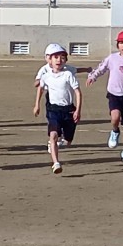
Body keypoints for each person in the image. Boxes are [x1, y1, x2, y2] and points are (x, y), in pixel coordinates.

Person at [86, 30, 123, 163]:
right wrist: (93, 76)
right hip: (114, 95)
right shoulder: (112, 58)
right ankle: (115, 131)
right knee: (115, 117)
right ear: (118, 45)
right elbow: (102, 68)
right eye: (122, 43)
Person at [33, 44, 82, 174]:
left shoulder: (68, 74)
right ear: (49, 59)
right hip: (53, 110)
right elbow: (40, 88)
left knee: (68, 141)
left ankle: (62, 141)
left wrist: (78, 110)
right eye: (56, 57)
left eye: (62, 57)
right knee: (53, 135)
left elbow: (78, 92)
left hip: (68, 110)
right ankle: (56, 163)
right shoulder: (46, 75)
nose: (59, 60)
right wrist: (37, 105)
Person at [34, 45, 91, 152]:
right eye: (51, 56)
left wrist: (87, 69)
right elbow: (38, 83)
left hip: (66, 100)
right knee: (53, 119)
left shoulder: (67, 71)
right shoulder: (44, 70)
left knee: (68, 135)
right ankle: (53, 137)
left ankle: (61, 135)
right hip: (51, 97)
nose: (58, 60)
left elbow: (76, 70)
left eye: (61, 57)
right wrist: (38, 82)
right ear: (47, 58)